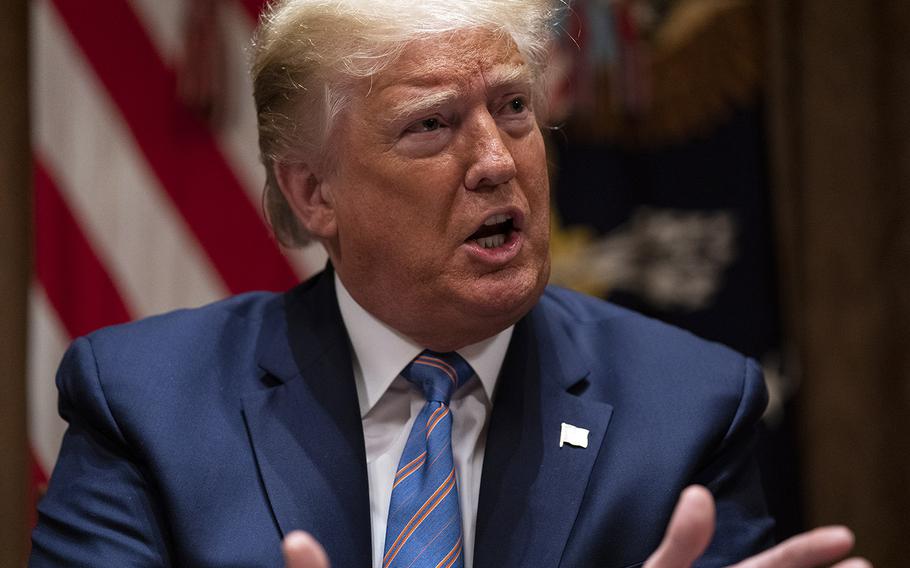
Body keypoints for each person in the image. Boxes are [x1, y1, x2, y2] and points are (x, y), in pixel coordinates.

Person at [30, 1, 870, 567]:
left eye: (512, 108)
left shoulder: (689, 406)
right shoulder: (143, 405)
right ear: (314, 192)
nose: (499, 161)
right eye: (431, 125)